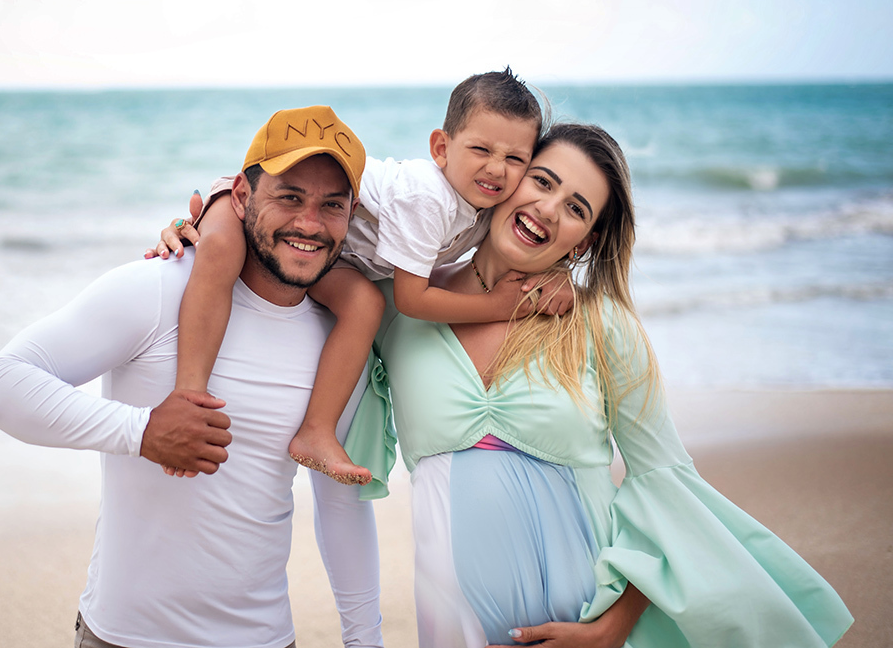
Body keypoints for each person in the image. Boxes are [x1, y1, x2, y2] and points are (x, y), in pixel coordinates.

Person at [344, 122, 853, 647]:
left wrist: (612, 627)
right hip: (453, 629)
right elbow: (313, 252)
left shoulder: (601, 323)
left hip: (591, 623)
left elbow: (662, 481)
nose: (547, 208)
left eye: (576, 208)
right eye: (542, 181)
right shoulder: (397, 308)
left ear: (584, 240)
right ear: (509, 177)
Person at [0, 108, 385, 648]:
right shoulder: (160, 289)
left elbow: (340, 506)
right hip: (124, 637)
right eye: (289, 196)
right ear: (239, 195)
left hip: (266, 639)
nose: (309, 223)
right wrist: (142, 432)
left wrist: (365, 640)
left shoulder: (338, 341)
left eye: (332, 205)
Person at [153, 69, 565, 486]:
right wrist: (498, 306)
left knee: (362, 303)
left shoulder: (483, 202)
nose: (497, 169)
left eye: (515, 159)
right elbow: (411, 299)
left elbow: (507, 249)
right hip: (279, 208)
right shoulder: (429, 198)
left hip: (325, 251)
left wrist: (562, 275)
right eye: (481, 149)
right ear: (441, 148)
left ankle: (315, 432)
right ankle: (189, 395)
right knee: (223, 249)